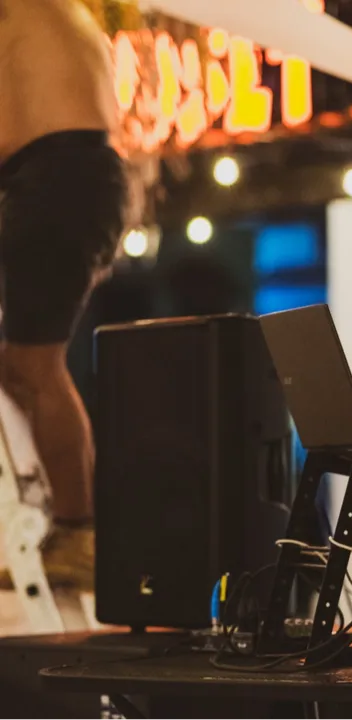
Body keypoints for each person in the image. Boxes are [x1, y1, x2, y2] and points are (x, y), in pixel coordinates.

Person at [0, 0, 133, 591]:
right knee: (21, 367)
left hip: (56, 178)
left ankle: (77, 533)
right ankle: (63, 520)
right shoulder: (62, 15)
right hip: (72, 177)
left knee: (36, 366)